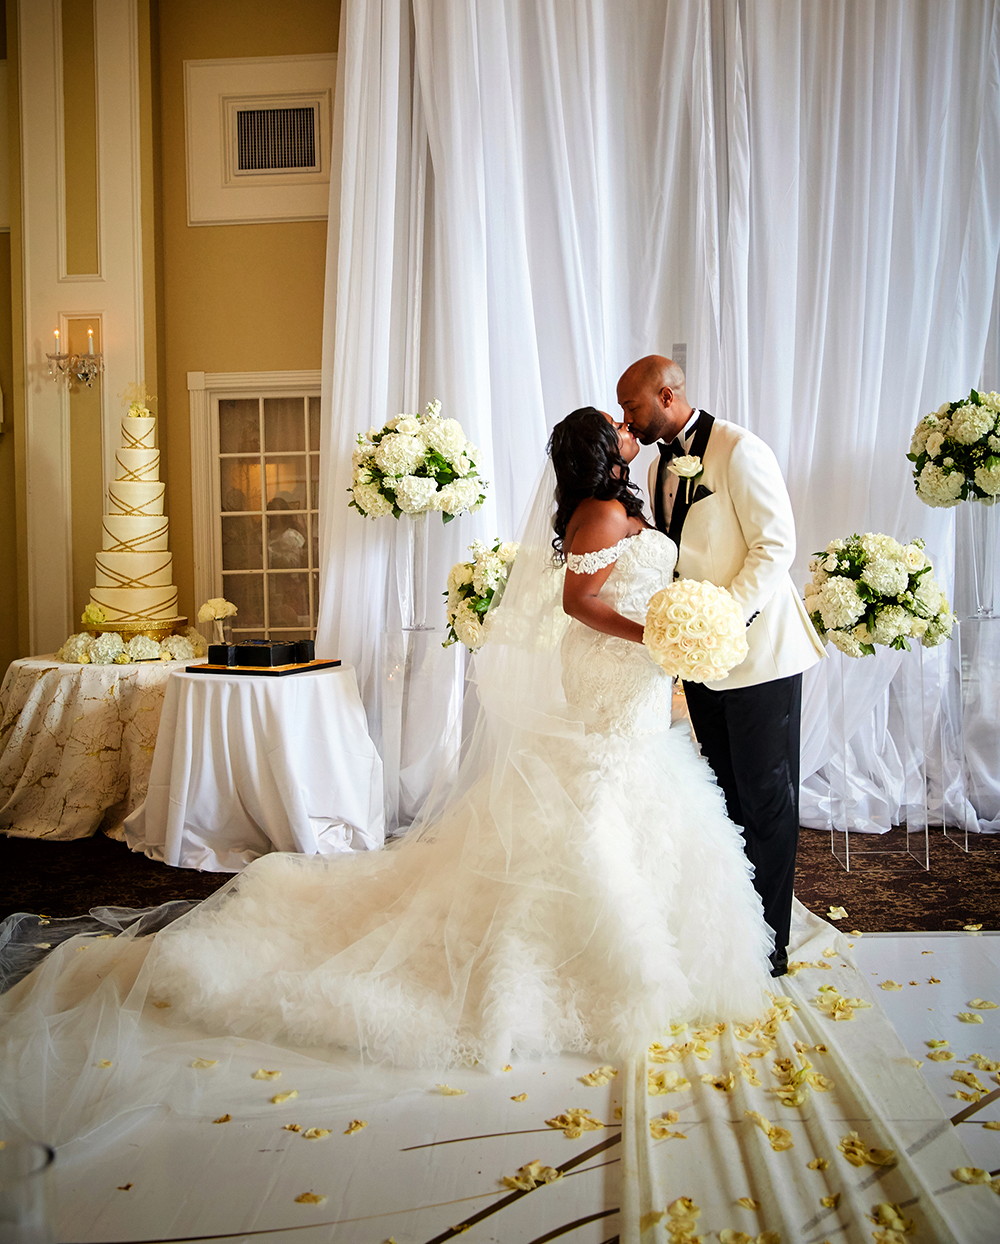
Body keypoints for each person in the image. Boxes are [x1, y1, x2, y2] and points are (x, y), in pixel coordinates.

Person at [0, 407, 772, 1147]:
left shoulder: (620, 502)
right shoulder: (599, 515)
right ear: (599, 450)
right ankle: (614, 966)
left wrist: (672, 631)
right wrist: (653, 633)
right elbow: (579, 603)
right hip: (612, 670)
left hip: (637, 681)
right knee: (598, 802)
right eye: (617, 430)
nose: (628, 432)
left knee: (647, 795)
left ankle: (677, 947)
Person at [617, 357, 825, 978]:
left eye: (633, 408)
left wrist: (722, 618)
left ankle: (773, 942)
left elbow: (775, 547)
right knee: (726, 796)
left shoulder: (739, 449)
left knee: (768, 797)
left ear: (667, 393)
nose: (628, 420)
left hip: (759, 653)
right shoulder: (658, 465)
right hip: (701, 663)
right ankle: (740, 928)